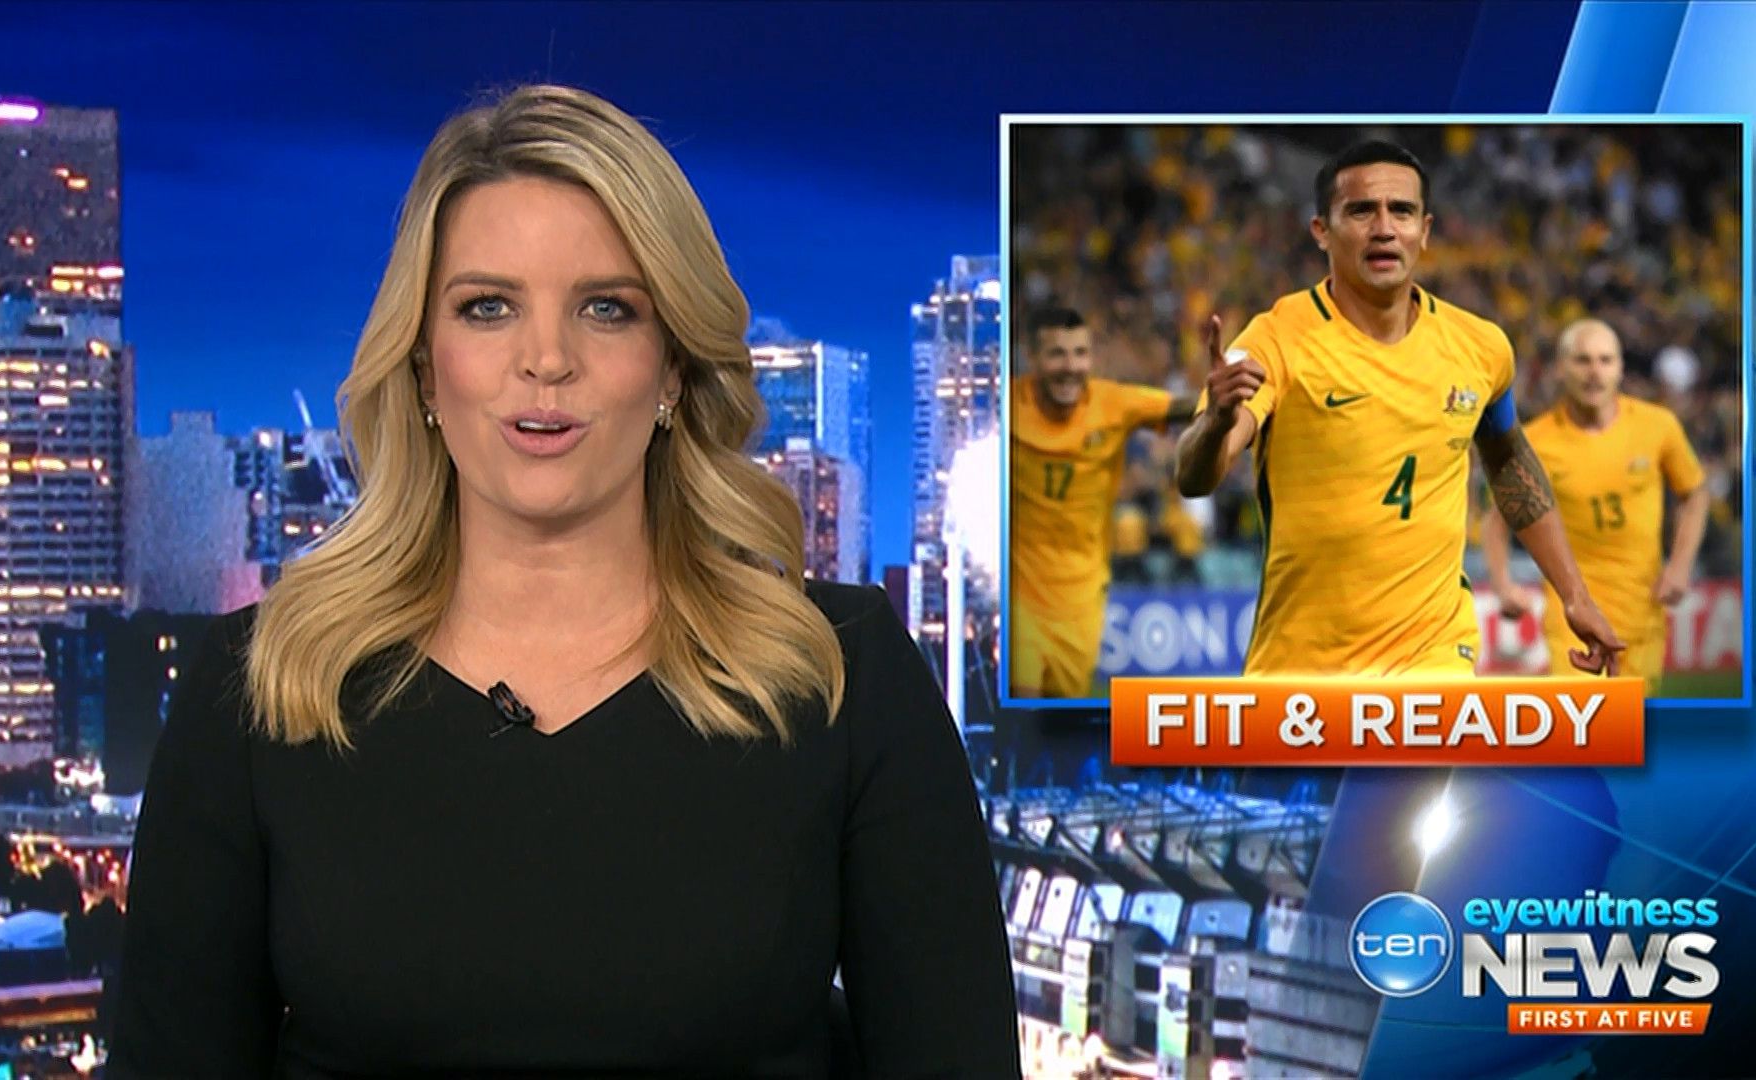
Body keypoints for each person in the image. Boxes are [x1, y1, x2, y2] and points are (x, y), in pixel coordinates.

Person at [108, 85, 1019, 1078]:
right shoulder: (264, 688)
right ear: (424, 369)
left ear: (672, 370)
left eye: (606, 309)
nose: (546, 359)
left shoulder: (841, 678)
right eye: (487, 307)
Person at [1173, 139, 1622, 677]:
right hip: (1301, 665)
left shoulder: (1480, 347)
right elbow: (1195, 476)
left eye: (1402, 211)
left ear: (1424, 231)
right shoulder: (1274, 339)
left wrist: (1574, 594)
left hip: (1434, 654)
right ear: (1321, 230)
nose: (1384, 228)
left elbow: (1509, 462)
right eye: (1362, 211)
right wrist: (1216, 421)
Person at [1483, 317, 1709, 695]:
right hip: (1571, 618)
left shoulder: (1658, 426)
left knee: (1636, 728)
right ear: (1560, 368)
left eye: (1605, 360)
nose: (1594, 372)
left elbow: (1695, 493)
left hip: (1642, 614)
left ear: (1620, 368)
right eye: (1582, 360)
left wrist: (1681, 565)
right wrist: (1503, 584)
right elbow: (1497, 518)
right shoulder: (1536, 441)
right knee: (1584, 724)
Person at [1008, 307, 1196, 698]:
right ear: (1032, 357)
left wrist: (1227, 393)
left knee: (1062, 715)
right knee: (1024, 704)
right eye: (1057, 354)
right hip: (1020, 596)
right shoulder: (1007, 406)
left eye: (1080, 353)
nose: (1070, 367)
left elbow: (1182, 407)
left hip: (1081, 601)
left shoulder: (1112, 405)